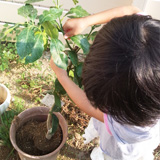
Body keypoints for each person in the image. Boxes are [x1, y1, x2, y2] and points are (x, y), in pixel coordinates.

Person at [50, 5, 160, 160]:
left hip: (124, 150)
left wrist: (62, 76)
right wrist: (86, 21)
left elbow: (87, 105)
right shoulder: (147, 32)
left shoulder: (127, 126)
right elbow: (130, 11)